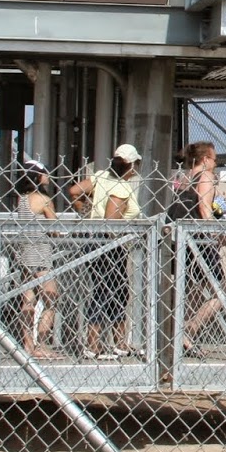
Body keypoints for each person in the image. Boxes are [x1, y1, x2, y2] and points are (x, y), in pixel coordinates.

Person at [69, 144, 145, 360]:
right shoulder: (120, 187)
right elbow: (111, 220)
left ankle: (118, 342)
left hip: (95, 239)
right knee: (107, 291)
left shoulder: (100, 176)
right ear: (130, 165)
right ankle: (94, 345)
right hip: (108, 243)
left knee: (117, 290)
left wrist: (85, 209)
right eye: (136, 165)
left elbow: (74, 191)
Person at [173, 142, 226, 356]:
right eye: (214, 159)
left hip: (182, 239)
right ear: (205, 159)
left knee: (191, 288)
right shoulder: (205, 177)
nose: (215, 164)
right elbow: (204, 209)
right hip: (199, 240)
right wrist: (218, 234)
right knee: (220, 291)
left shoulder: (184, 178)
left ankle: (179, 332)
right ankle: (189, 330)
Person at [11, 159, 60, 360]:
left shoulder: (20, 199)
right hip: (40, 253)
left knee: (28, 299)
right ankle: (40, 343)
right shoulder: (43, 199)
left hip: (24, 253)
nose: (47, 176)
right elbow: (55, 227)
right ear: (37, 176)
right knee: (51, 297)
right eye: (44, 172)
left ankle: (27, 344)